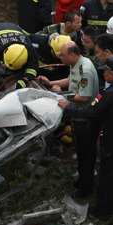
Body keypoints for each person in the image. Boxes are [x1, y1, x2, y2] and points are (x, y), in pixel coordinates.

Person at [59, 58, 113, 219]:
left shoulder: (109, 94)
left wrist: (67, 108)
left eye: (105, 72)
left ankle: (103, 211)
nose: (103, 74)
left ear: (112, 73)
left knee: (108, 175)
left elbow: (90, 113)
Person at [42, 42, 99, 198]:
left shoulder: (85, 69)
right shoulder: (76, 64)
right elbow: (70, 80)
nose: (60, 57)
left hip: (85, 118)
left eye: (62, 55)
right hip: (78, 115)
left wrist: (63, 98)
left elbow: (85, 96)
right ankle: (84, 179)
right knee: (81, 152)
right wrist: (51, 83)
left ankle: (86, 189)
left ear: (72, 55)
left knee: (85, 153)